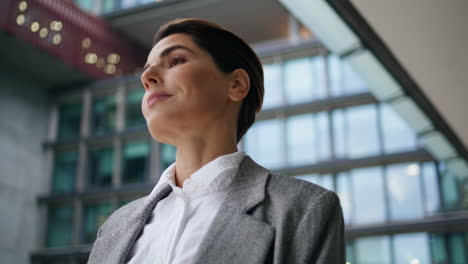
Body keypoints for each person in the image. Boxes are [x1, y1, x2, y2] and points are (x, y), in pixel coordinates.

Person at [88, 18, 345, 264]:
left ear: (236, 84)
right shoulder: (115, 226)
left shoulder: (303, 209)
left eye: (176, 60)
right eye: (146, 72)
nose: (148, 77)